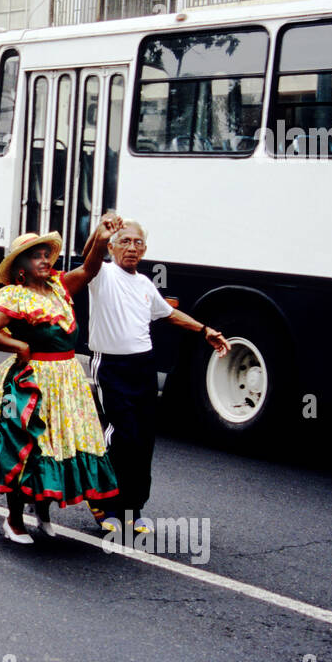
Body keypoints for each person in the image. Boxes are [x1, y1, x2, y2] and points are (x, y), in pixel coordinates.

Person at [81, 215, 231, 536]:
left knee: (143, 440)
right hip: (111, 367)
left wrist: (205, 330)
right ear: (112, 247)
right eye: (124, 241)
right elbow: (89, 262)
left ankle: (132, 509)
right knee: (122, 435)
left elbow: (169, 313)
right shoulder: (102, 274)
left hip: (143, 368)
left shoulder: (145, 284)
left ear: (145, 249)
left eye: (137, 243)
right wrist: (98, 236)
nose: (131, 248)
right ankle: (102, 502)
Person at [0, 228, 121, 544]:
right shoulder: (14, 295)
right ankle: (13, 520)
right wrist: (19, 346)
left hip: (67, 380)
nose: (43, 260)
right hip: (33, 383)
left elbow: (90, 268)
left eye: (46, 255)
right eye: (35, 256)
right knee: (26, 449)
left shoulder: (59, 287)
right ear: (21, 267)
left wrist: (101, 235)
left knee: (61, 446)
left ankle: (43, 511)